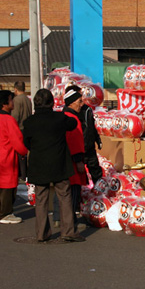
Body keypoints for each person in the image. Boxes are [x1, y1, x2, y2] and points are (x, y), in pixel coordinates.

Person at [22, 88, 85, 243]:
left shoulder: (29, 122)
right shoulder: (60, 118)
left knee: (41, 199)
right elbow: (72, 124)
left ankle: (41, 233)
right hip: (59, 163)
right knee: (64, 196)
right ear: (51, 102)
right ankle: (68, 231)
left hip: (39, 164)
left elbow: (27, 143)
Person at [0, 90, 28, 224]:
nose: (13, 102)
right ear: (5, 103)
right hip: (6, 157)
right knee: (7, 187)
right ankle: (6, 213)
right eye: (11, 99)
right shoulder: (9, 119)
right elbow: (17, 141)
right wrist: (23, 151)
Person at [62, 86, 87, 231]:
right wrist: (79, 161)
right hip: (72, 162)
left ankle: (63, 220)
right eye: (79, 101)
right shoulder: (73, 119)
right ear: (71, 103)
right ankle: (71, 224)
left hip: (64, 161)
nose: (81, 103)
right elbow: (75, 142)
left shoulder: (63, 115)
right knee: (72, 193)